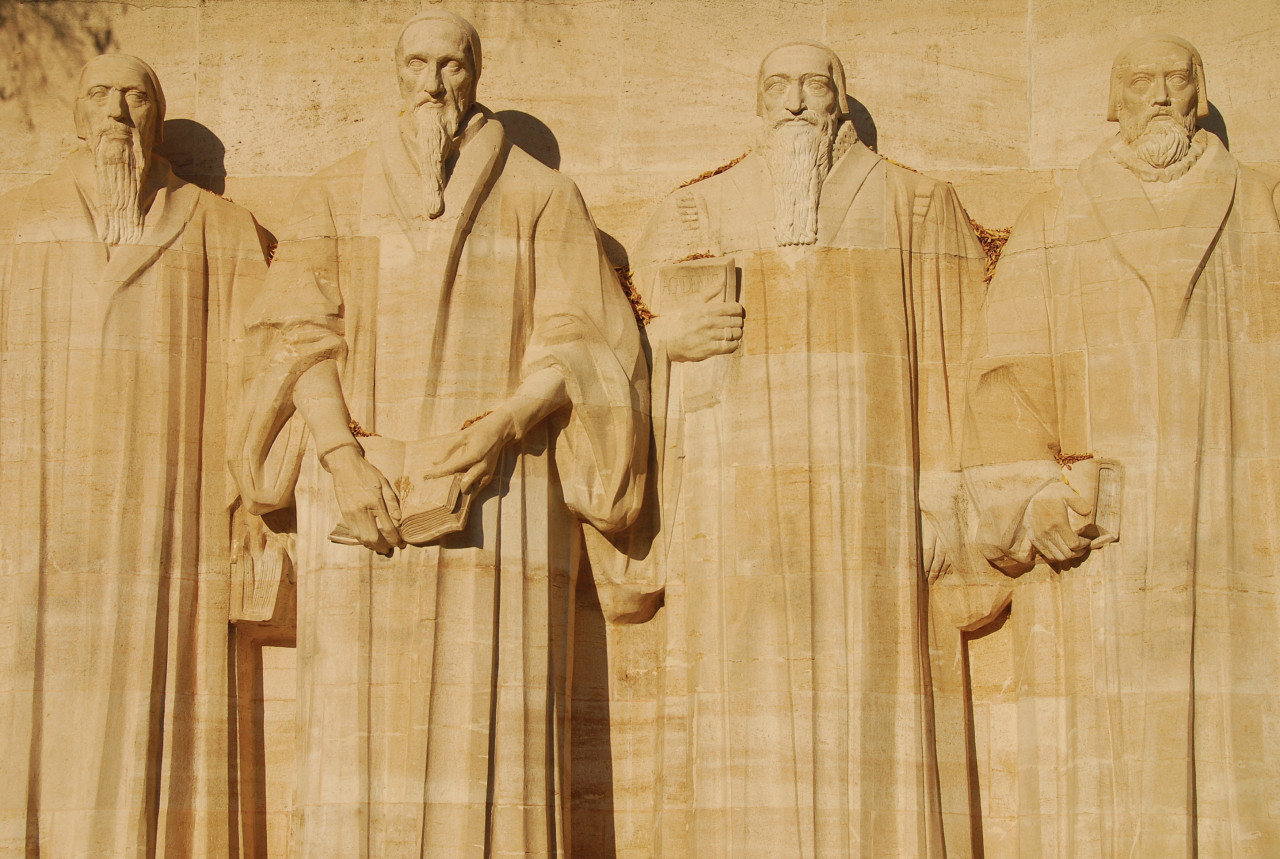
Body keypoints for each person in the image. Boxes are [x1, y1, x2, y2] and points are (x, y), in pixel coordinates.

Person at [230, 11, 646, 857]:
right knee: (350, 732)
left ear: (476, 75)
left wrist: (503, 424)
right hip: (357, 490)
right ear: (396, 73)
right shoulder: (335, 189)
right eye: (417, 63)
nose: (433, 82)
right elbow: (297, 336)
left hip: (506, 488)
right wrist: (342, 459)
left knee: (499, 726)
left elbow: (586, 340)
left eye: (450, 65)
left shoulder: (541, 194)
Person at [630, 40, 986, 857]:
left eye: (813, 85)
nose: (795, 101)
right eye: (777, 86)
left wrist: (942, 491)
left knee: (879, 689)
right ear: (758, 103)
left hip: (874, 493)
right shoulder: (694, 211)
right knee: (732, 683)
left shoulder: (915, 203)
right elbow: (612, 352)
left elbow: (959, 354)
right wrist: (665, 343)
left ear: (841, 101)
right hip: (730, 497)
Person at [964, 34, 1280, 856]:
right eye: (1142, 83)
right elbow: (1007, 376)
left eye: (1179, 80)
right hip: (1103, 543)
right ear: (1116, 101)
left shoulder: (1264, 203)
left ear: (1202, 95)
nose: (1163, 96)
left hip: (1240, 531)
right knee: (1099, 770)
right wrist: (1032, 499)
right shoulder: (1059, 213)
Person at [0, 54, 268, 856]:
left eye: (136, 94)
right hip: (39, 500)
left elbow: (267, 357)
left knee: (168, 685)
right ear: (77, 115)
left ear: (157, 115)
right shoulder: (18, 222)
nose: (117, 109)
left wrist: (248, 496)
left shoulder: (216, 225)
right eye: (100, 94)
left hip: (170, 503)